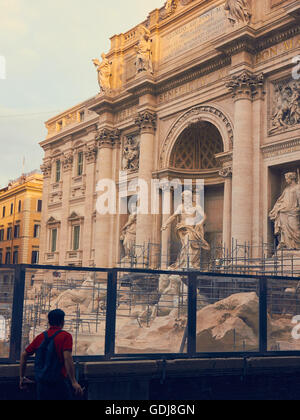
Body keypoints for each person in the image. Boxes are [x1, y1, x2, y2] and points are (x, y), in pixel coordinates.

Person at [19, 309, 84, 400]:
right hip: (59, 383)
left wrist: (22, 377)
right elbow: (67, 358)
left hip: (42, 384)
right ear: (62, 322)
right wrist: (73, 381)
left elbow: (24, 355)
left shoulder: (40, 337)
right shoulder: (65, 336)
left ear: (49, 322)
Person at [269, 172, 300, 250]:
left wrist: (296, 209)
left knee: (295, 228)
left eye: (287, 179)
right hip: (284, 212)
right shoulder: (286, 189)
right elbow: (280, 200)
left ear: (291, 178)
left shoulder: (297, 188)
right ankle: (286, 245)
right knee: (284, 230)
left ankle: (296, 246)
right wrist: (276, 209)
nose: (286, 180)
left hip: (293, 212)